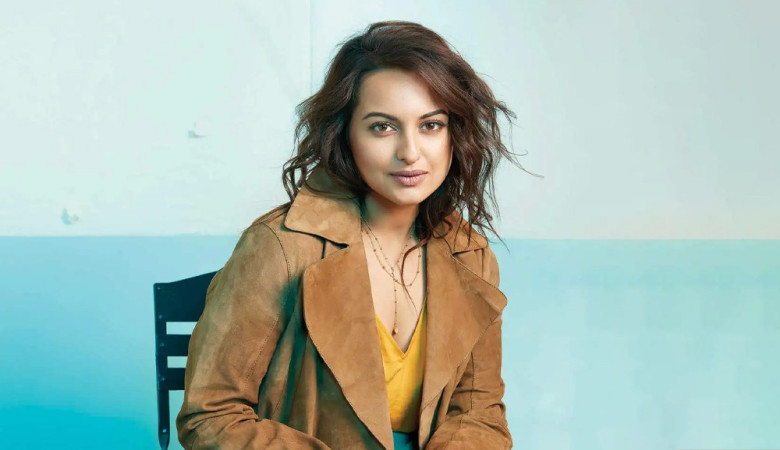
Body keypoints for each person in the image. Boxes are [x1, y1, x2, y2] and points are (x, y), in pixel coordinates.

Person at [176, 20, 532, 449]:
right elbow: (210, 416)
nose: (410, 152)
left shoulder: (469, 253)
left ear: (454, 133)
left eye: (431, 125)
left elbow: (479, 414)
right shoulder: (281, 246)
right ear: (345, 134)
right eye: (383, 126)